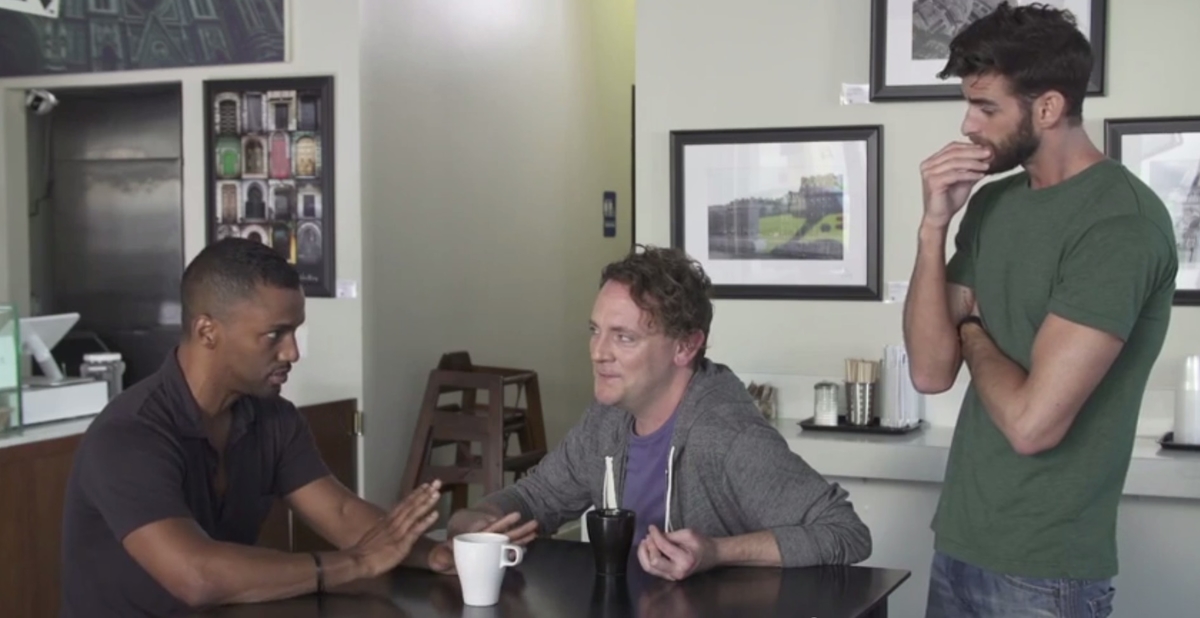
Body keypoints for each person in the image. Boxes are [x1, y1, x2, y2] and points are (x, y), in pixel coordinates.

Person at [58, 238, 530, 617]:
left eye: (295, 332)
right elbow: (196, 576)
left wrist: (430, 554)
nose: (292, 352)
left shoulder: (273, 418)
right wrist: (356, 563)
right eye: (274, 335)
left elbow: (339, 512)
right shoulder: (130, 435)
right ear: (207, 331)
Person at [902, 4, 1177, 617]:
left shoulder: (1119, 223)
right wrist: (933, 226)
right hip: (960, 540)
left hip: (1045, 571)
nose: (968, 125)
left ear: (1048, 108)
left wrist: (974, 331)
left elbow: (1033, 427)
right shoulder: (992, 203)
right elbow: (929, 370)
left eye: (986, 108)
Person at [445, 245, 872, 581]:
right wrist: (476, 520)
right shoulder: (606, 420)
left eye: (623, 338)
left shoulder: (727, 436)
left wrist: (718, 552)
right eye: (595, 331)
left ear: (685, 346)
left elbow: (845, 532)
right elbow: (534, 499)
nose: (598, 352)